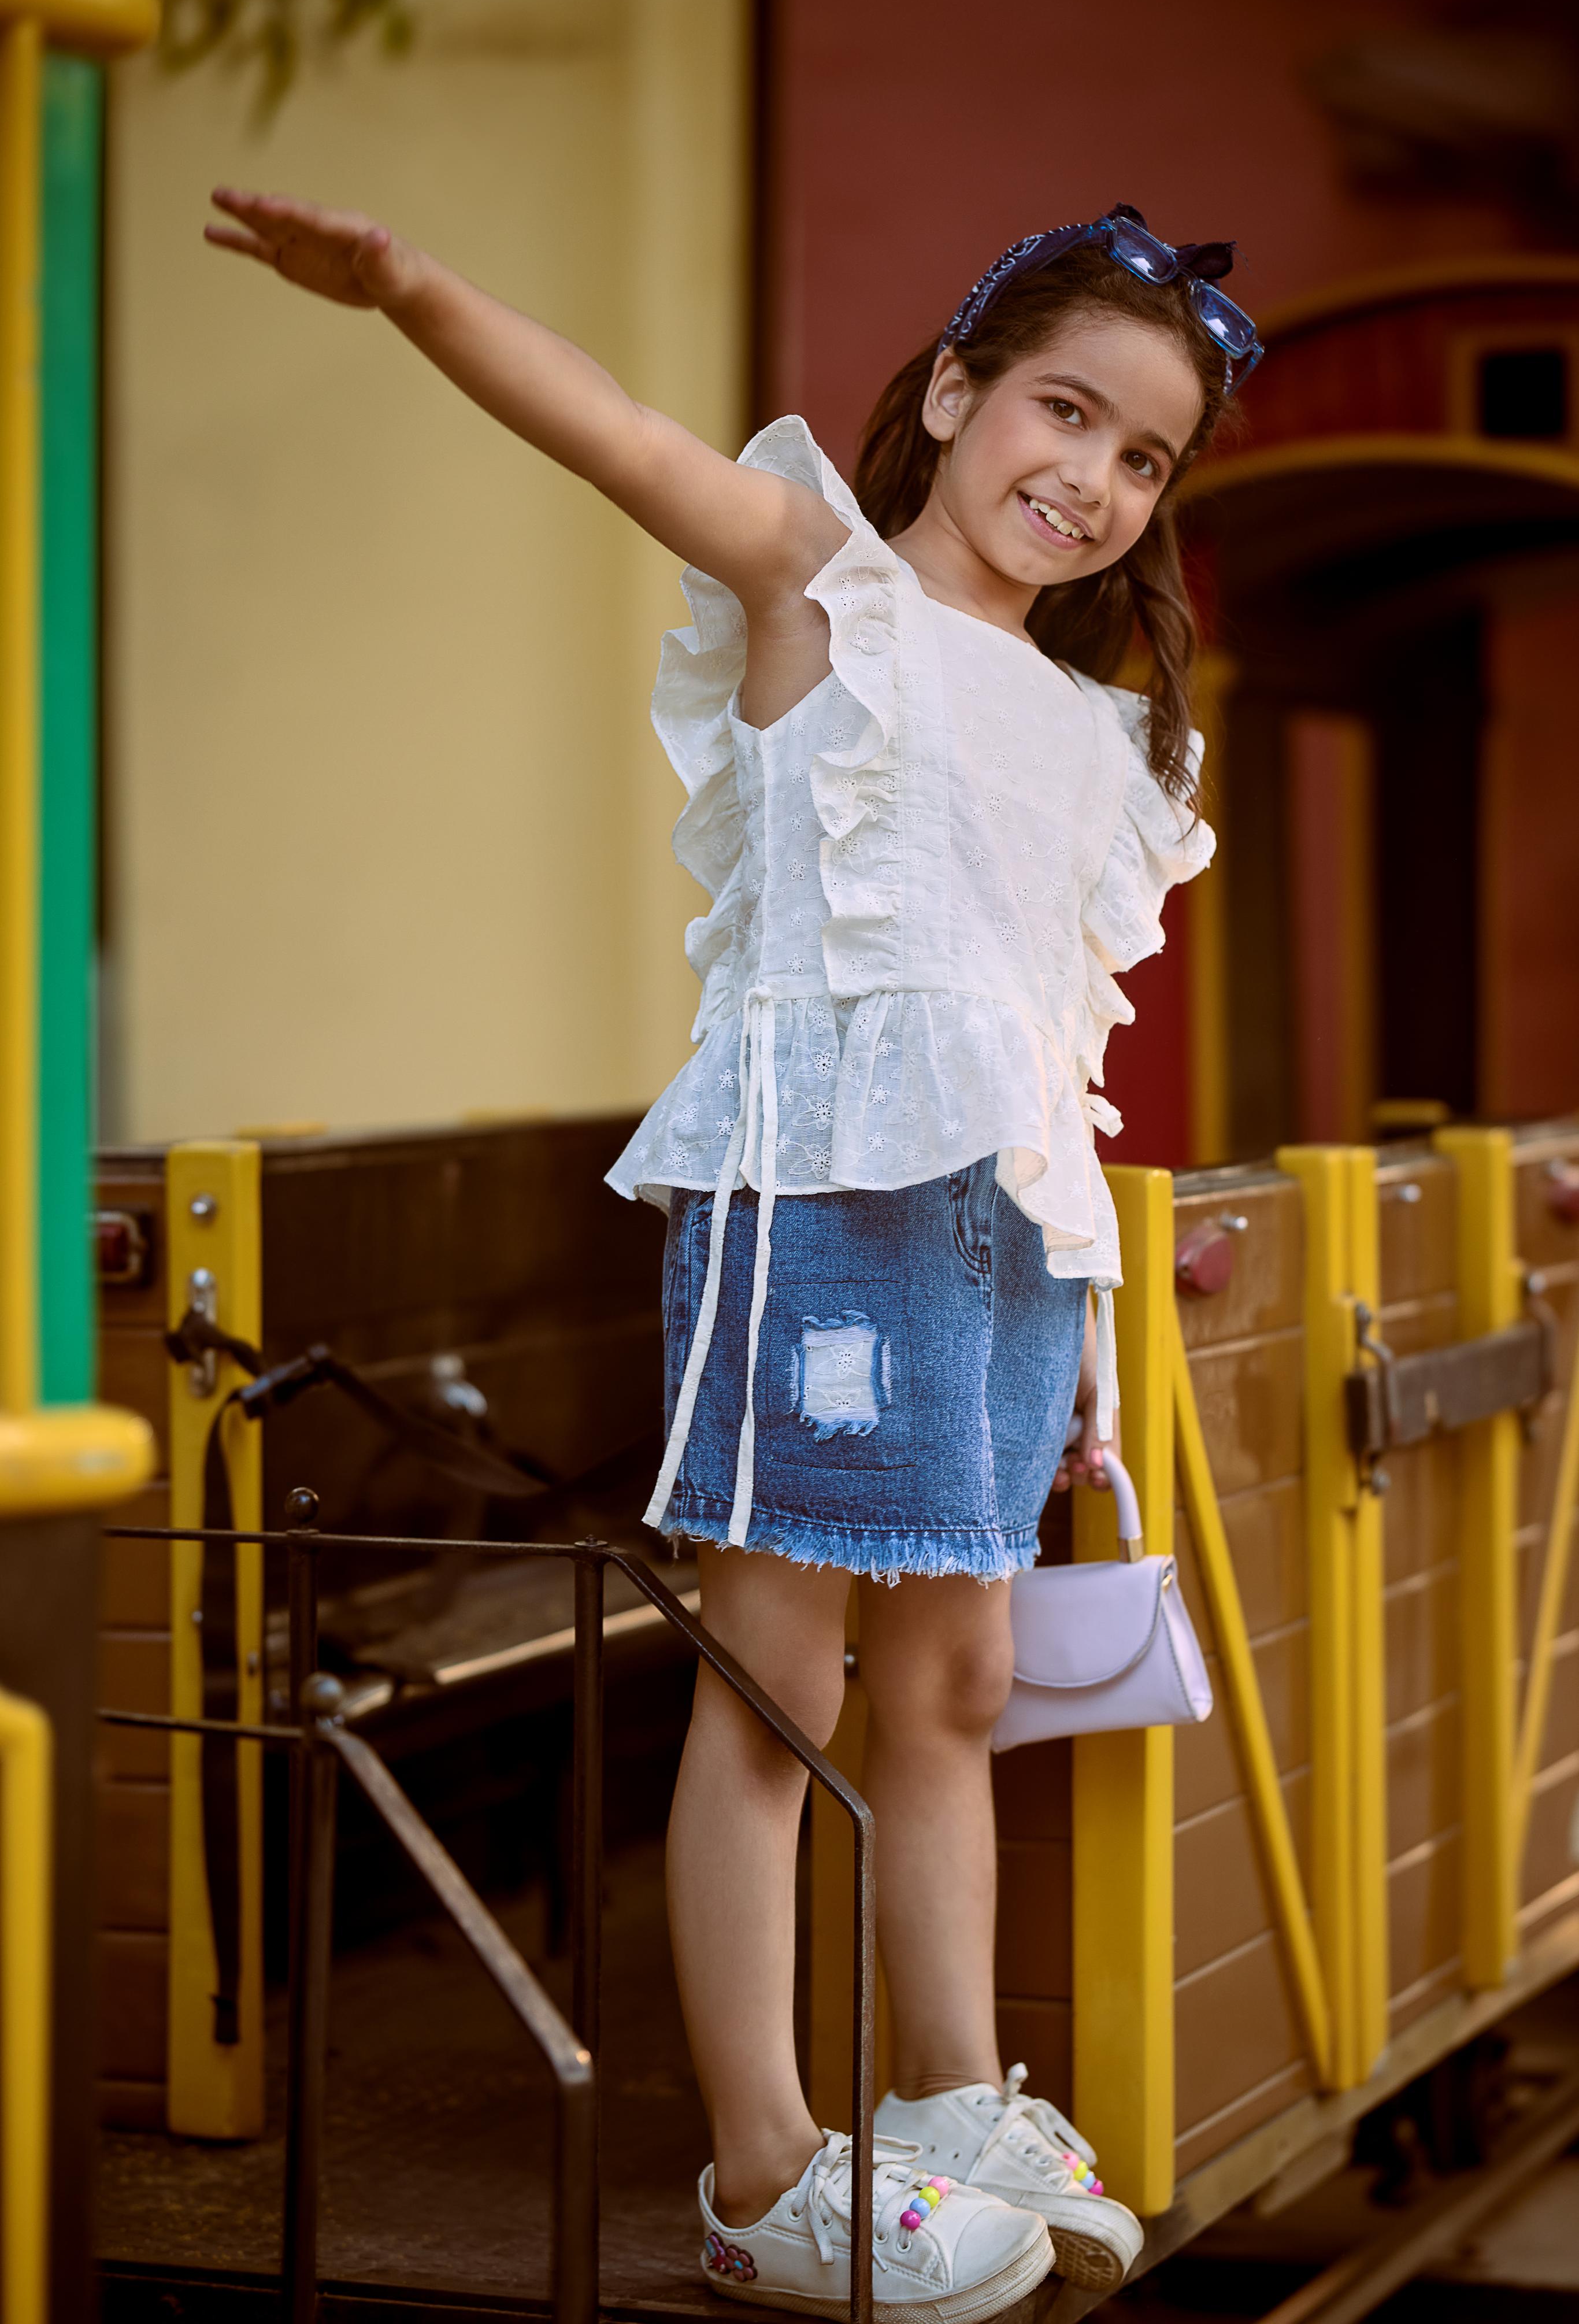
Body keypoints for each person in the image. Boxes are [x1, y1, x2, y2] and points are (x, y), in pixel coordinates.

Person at [207, 190, 1253, 2317]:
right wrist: (411, 289)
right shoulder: (822, 585)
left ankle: (952, 2102)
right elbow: (610, 432)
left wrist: (1069, 1312)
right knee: (779, 1687)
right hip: (822, 1215)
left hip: (1004, 1233)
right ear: (954, 394)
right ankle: (764, 2165)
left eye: (1143, 458)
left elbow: (1044, 1038)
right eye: (1062, 410)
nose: (1092, 478)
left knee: (953, 1678)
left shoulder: (1101, 730)